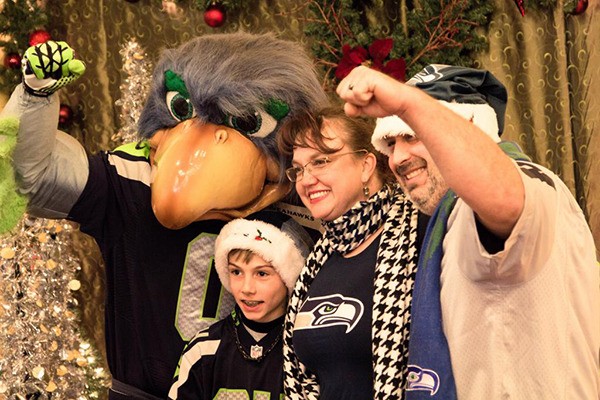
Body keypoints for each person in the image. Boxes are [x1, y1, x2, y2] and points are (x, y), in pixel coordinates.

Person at [0, 33, 327, 399]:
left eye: (247, 121)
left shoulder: (305, 192)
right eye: (183, 111)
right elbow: (32, 176)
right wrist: (36, 98)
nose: (203, 139)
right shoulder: (131, 176)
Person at [336, 64, 600, 399]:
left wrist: (409, 103)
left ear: (471, 129)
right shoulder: (452, 215)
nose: (397, 158)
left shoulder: (527, 183)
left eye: (412, 135)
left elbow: (505, 200)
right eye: (390, 142)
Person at [278, 106, 430, 399]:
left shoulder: (420, 231)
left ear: (366, 165)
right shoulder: (317, 261)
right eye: (299, 168)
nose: (306, 180)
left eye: (320, 161)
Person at [168, 210, 312, 399]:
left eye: (262, 274)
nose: (247, 288)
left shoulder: (306, 352)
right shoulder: (203, 350)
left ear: (289, 278)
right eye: (236, 272)